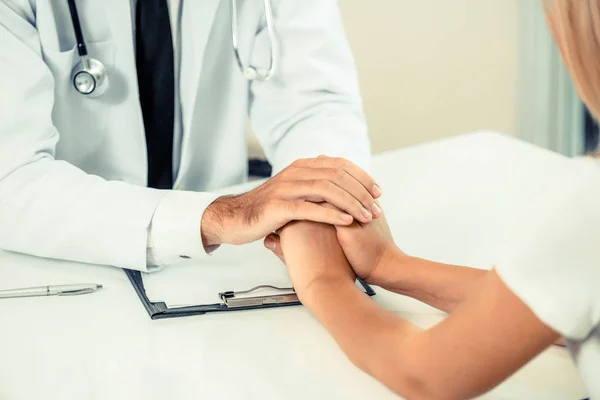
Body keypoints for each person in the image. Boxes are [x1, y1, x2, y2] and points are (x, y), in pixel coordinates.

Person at [263, 1, 600, 398]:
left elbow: (423, 374)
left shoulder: (588, 200)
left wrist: (323, 280)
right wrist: (390, 265)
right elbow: (553, 303)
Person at [0, 0, 381, 270]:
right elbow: (10, 179)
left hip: (212, 267)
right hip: (60, 260)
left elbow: (313, 105)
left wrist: (318, 208)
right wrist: (212, 216)